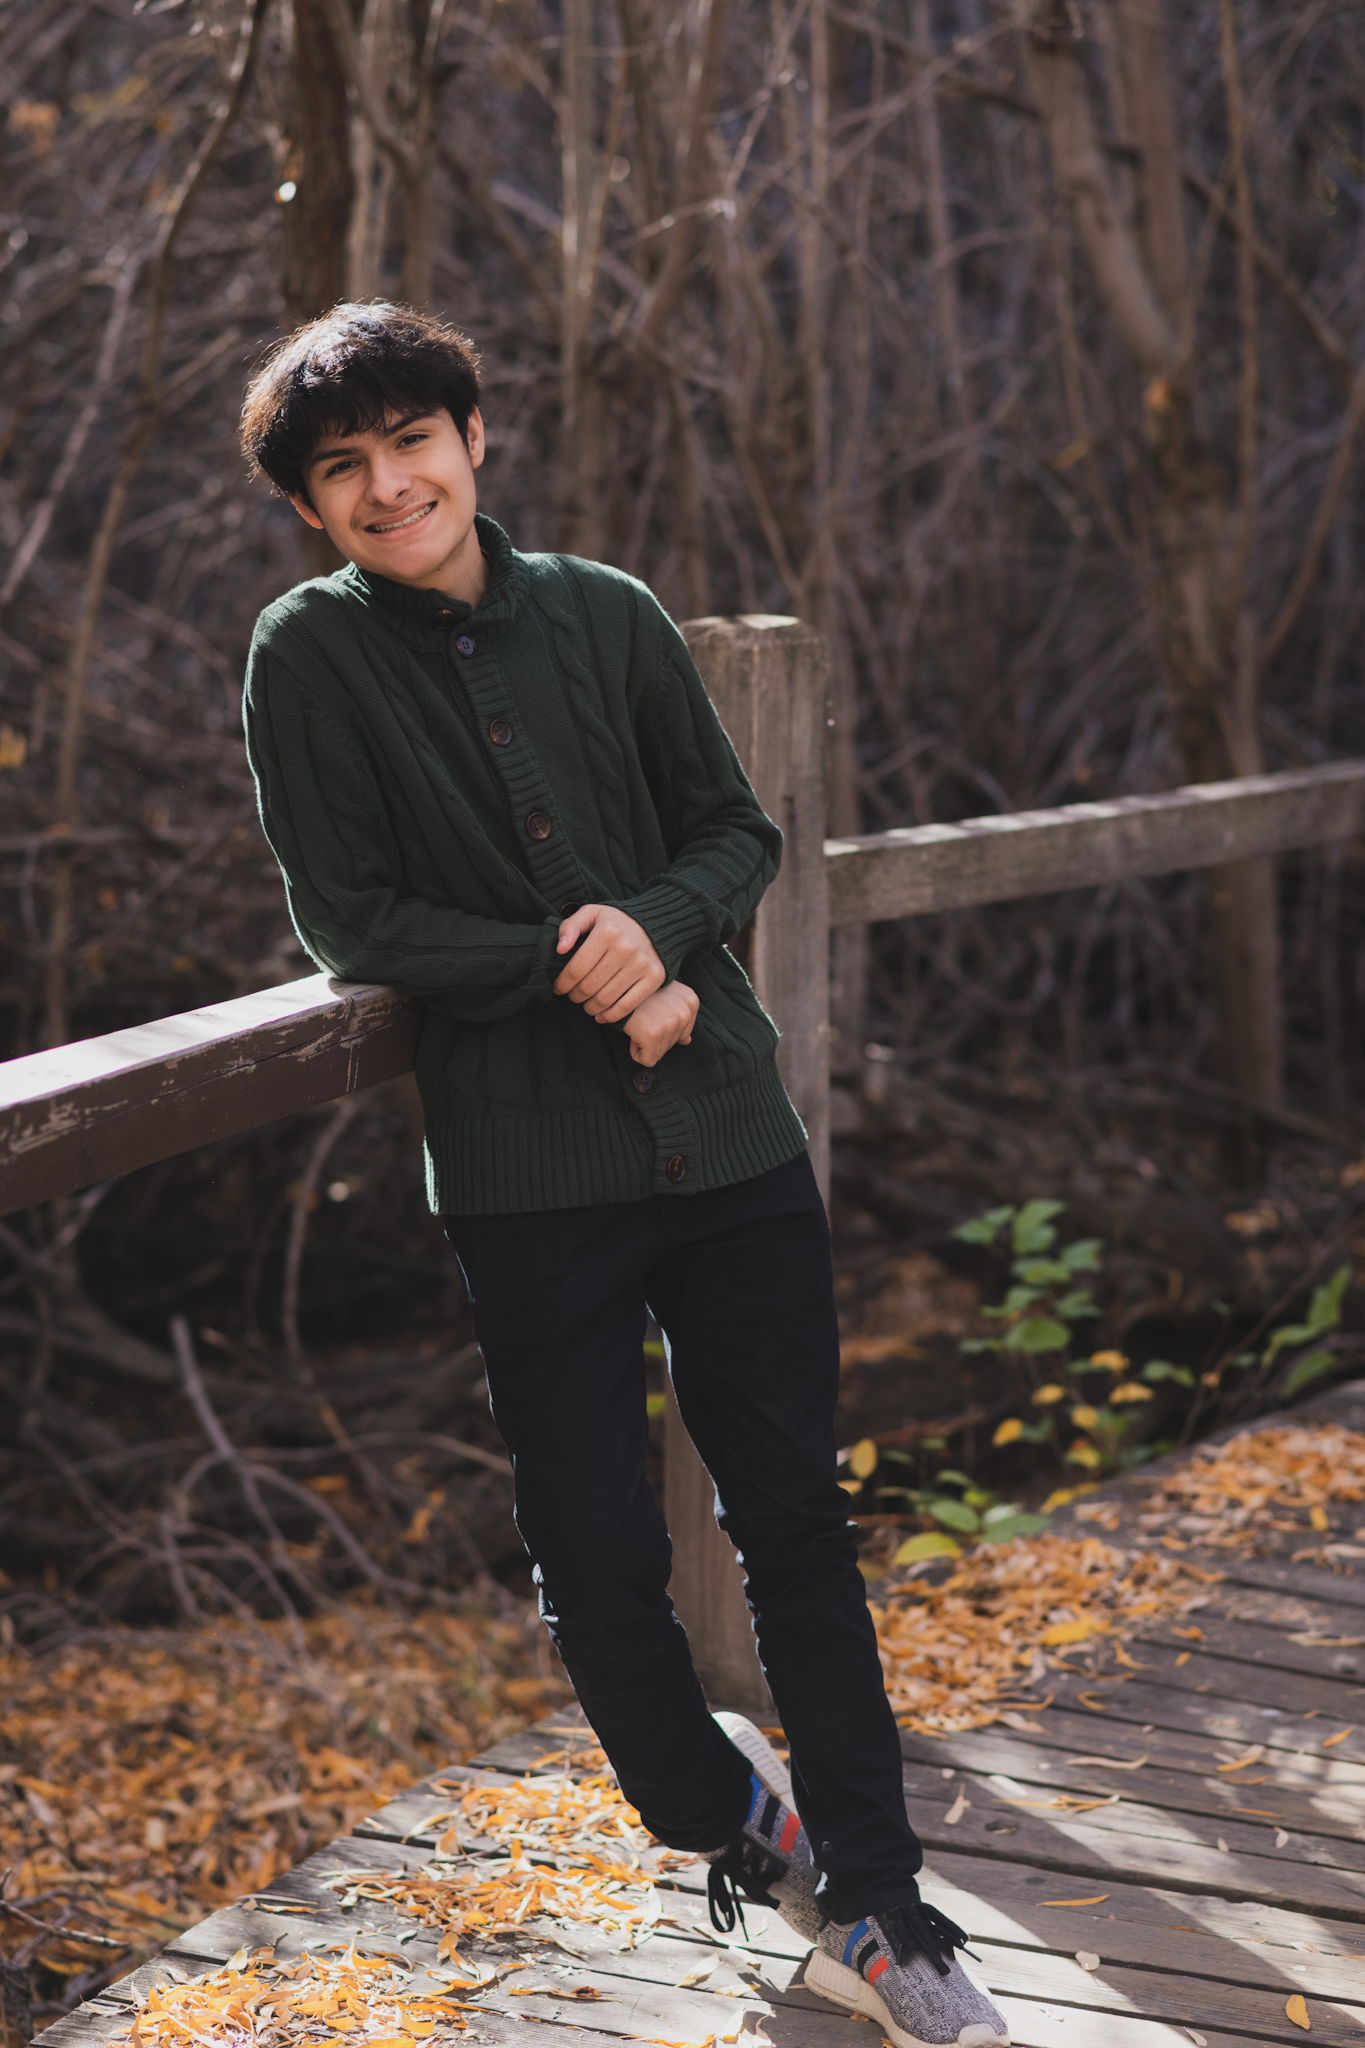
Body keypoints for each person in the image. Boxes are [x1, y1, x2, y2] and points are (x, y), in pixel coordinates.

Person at [237, 301, 1008, 2048]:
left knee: (796, 1528)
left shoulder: (606, 612)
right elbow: (349, 921)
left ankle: (883, 1917)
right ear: (308, 505)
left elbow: (736, 830)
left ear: (471, 435)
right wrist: (572, 964)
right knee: (592, 1564)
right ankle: (722, 1810)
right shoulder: (307, 654)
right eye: (341, 470)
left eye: (408, 443)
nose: (386, 485)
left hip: (727, 1138)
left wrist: (659, 936)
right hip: (526, 1177)